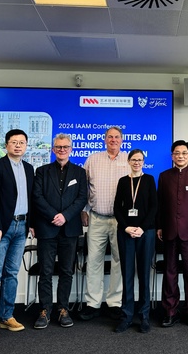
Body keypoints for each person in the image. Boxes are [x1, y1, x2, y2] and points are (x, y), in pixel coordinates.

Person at [0, 129, 34, 337]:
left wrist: (31, 224)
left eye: (22, 142)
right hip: (1, 228)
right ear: (6, 145)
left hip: (22, 226)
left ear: (26, 145)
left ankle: (6, 316)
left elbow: (31, 198)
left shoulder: (29, 168)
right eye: (14, 142)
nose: (18, 145)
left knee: (11, 273)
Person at [32, 133, 87, 329]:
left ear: (71, 149)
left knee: (66, 272)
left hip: (69, 229)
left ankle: (63, 309)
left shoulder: (80, 172)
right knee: (45, 272)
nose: (62, 150)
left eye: (65, 147)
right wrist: (54, 215)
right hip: (47, 228)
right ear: (53, 149)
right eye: (58, 147)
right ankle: (45, 310)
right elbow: (37, 196)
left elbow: (82, 198)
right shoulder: (42, 171)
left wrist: (65, 216)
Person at [79, 126, 129, 321]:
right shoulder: (93, 159)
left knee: (119, 260)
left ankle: (114, 302)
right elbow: (83, 187)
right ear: (104, 139)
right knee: (93, 261)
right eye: (110, 137)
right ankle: (93, 303)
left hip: (120, 221)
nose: (113, 140)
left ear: (122, 140)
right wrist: (84, 209)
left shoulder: (128, 160)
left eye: (117, 137)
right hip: (97, 218)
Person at [157, 140, 188, 328]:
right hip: (169, 230)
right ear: (172, 156)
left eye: (184, 153)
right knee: (170, 272)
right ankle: (170, 311)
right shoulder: (164, 176)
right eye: (177, 153)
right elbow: (160, 204)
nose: (180, 156)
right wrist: (159, 226)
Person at [113, 149, 157, 333]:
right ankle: (127, 316)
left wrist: (142, 228)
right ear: (129, 161)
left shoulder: (149, 180)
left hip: (145, 233)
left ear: (143, 162)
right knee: (127, 274)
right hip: (126, 233)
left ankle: (144, 316)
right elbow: (117, 208)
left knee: (144, 274)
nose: (137, 162)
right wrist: (126, 228)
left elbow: (154, 207)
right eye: (134, 159)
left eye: (140, 160)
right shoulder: (123, 181)